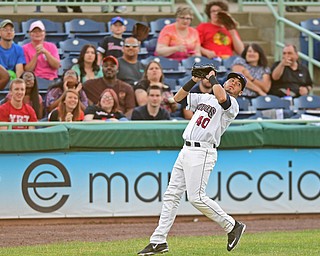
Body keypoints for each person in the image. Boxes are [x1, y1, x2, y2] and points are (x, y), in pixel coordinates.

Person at [137, 70, 247, 255]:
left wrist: (211, 77)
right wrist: (194, 80)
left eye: (238, 83)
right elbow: (177, 98)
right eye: (232, 79)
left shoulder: (233, 104)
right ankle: (158, 241)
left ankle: (232, 225)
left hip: (203, 151)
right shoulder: (205, 97)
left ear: (240, 92)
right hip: (186, 149)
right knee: (172, 195)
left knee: (196, 197)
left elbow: (222, 98)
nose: (233, 83)